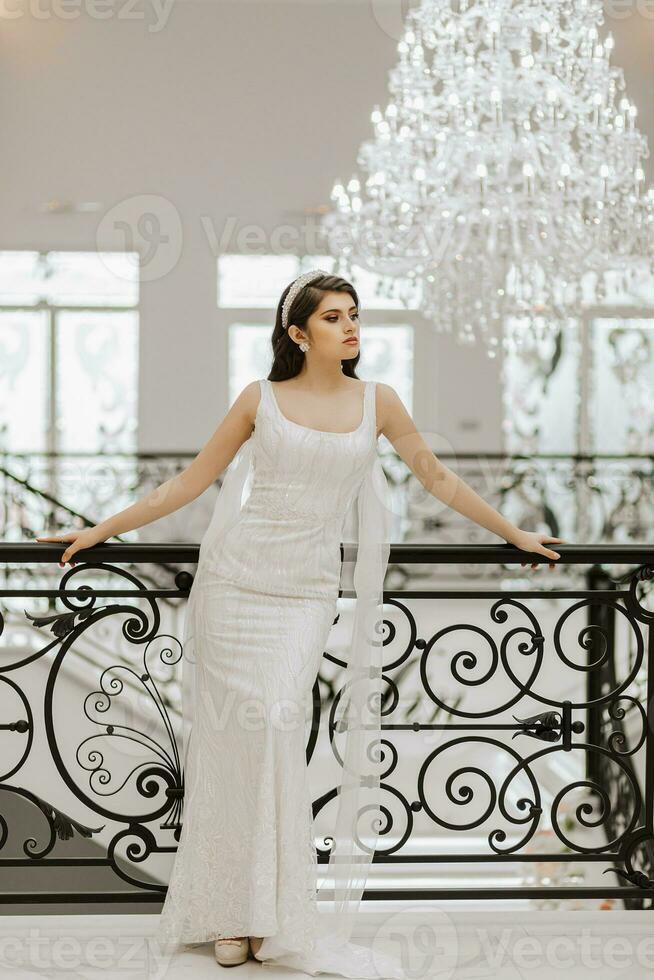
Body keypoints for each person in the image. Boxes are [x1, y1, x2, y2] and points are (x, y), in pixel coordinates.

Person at [36, 269, 564, 977]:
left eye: (354, 315)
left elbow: (437, 478)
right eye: (333, 317)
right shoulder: (261, 398)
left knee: (277, 725)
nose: (350, 327)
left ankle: (274, 913)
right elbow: (188, 484)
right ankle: (229, 914)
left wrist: (515, 534)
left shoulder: (378, 401)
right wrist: (98, 529)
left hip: (302, 595)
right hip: (235, 585)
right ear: (296, 333)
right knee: (232, 741)